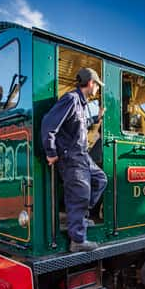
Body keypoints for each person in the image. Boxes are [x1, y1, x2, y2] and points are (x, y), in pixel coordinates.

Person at [41, 68, 107, 252]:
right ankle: (77, 240)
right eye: (97, 86)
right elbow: (48, 124)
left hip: (82, 155)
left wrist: (97, 117)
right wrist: (51, 152)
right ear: (91, 83)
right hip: (71, 157)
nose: (97, 90)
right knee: (80, 195)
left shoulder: (81, 104)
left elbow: (81, 124)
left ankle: (80, 218)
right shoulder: (71, 99)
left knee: (100, 180)